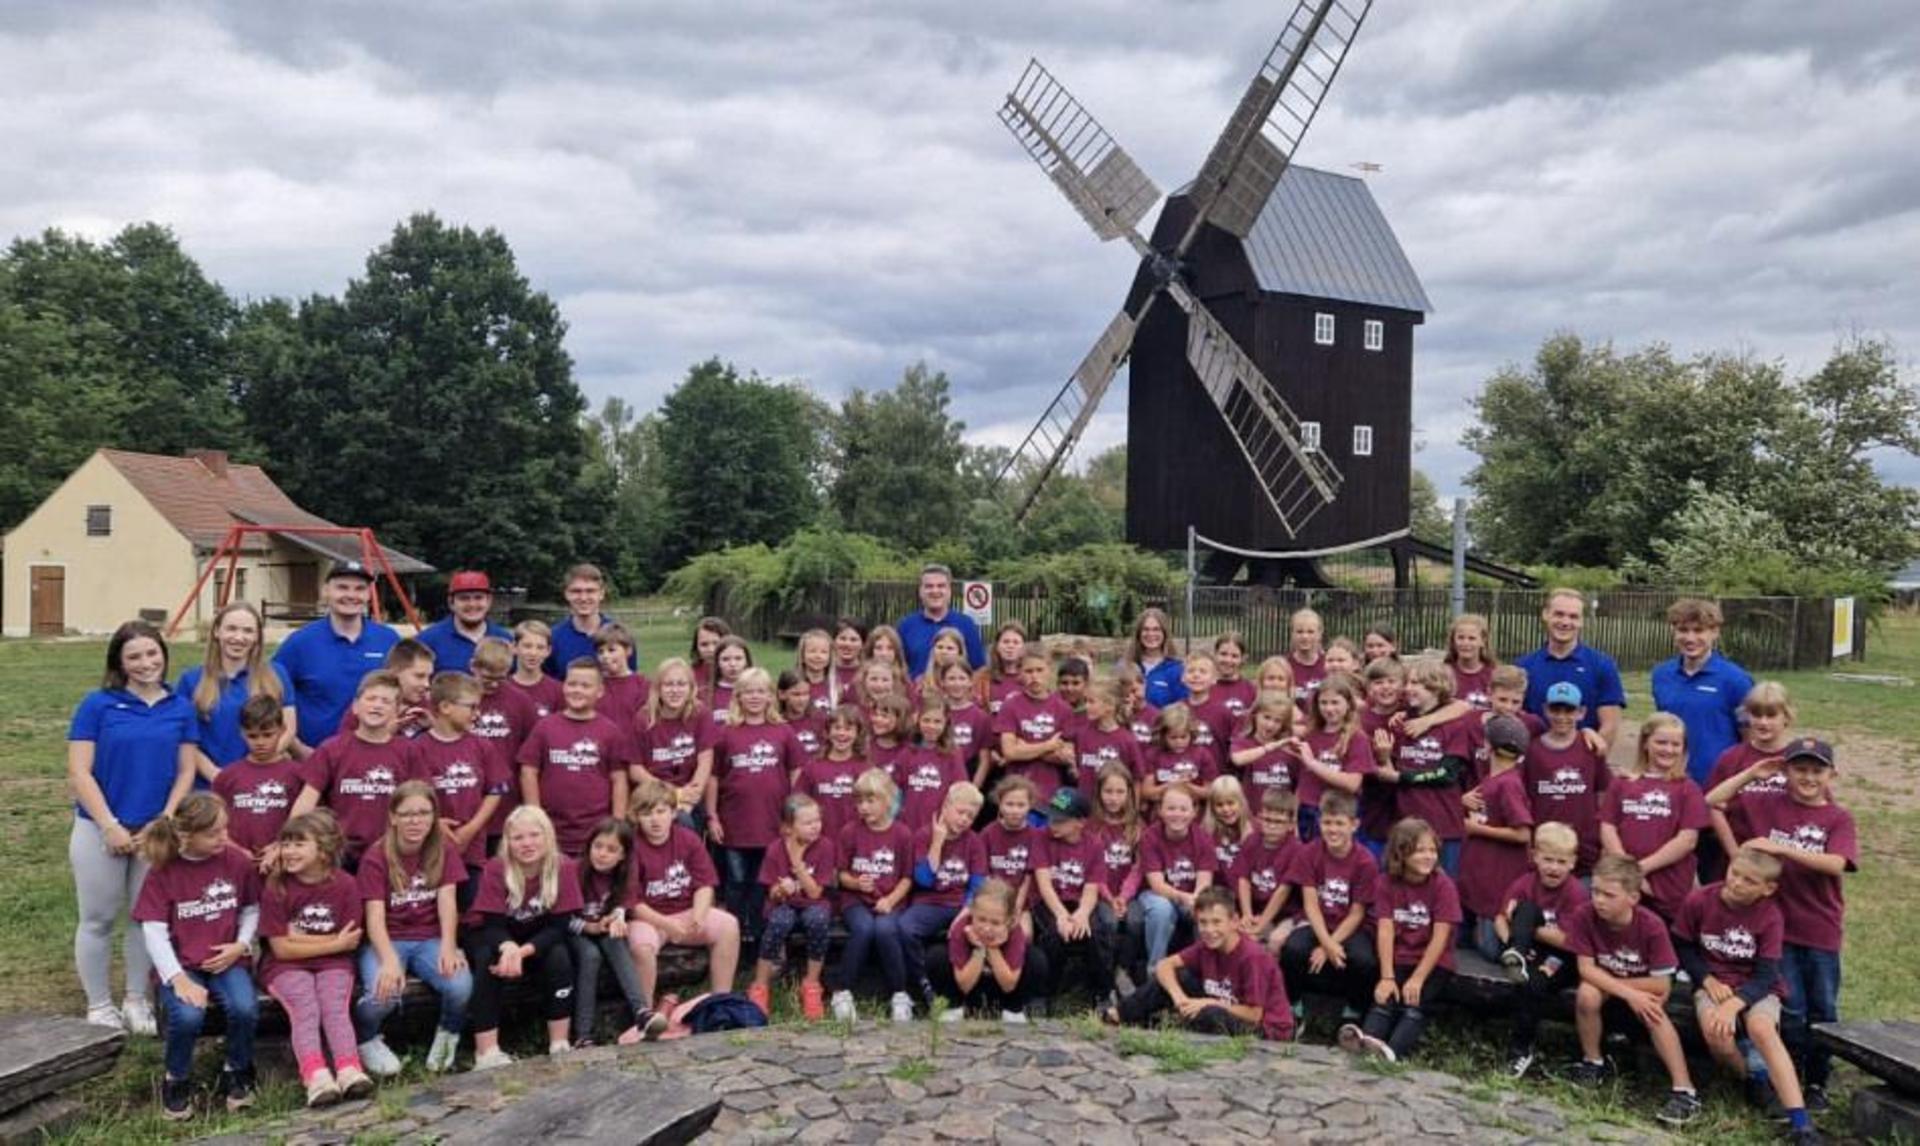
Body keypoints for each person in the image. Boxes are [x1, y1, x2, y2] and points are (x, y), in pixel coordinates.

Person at [1709, 737, 1856, 1113]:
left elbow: (1837, 863)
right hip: (1777, 930)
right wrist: (1753, 773)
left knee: (1822, 1007)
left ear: (1831, 774)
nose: (1807, 777)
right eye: (1799, 768)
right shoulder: (1769, 803)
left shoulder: (1837, 817)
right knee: (1790, 1009)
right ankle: (1790, 1072)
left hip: (1820, 928)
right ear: (1785, 771)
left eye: (1816, 770)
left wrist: (1784, 849)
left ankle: (1819, 1080)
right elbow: (1713, 801)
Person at [68, 620, 199, 1033]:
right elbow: (79, 772)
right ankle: (99, 1004)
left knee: (147, 919)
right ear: (120, 663)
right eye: (134, 657)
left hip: (154, 833)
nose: (146, 663)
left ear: (163, 653)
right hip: (100, 828)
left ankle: (136, 999)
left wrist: (163, 820)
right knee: (98, 918)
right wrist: (109, 825)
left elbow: (186, 771)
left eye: (152, 653)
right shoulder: (98, 704)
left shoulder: (179, 706)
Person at [1673, 846, 1818, 1143]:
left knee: (1762, 1028)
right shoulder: (1700, 900)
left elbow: (1767, 974)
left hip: (1757, 986)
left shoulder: (1770, 916)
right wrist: (1705, 978)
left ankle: (1801, 1122)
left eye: (1749, 881)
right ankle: (1754, 1078)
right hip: (1714, 983)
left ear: (1768, 888)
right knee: (1718, 1034)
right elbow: (1683, 945)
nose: (1737, 883)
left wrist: (1736, 1004)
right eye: (1734, 874)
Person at [133, 792, 259, 1120]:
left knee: (244, 1008)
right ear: (186, 836)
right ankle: (177, 1078)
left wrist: (241, 945)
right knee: (188, 1016)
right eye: (214, 833)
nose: (224, 838)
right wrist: (177, 980)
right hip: (182, 963)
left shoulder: (236, 861)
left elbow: (250, 908)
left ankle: (238, 1069)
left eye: (225, 829)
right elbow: (153, 931)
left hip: (227, 958)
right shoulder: (164, 871)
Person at [1559, 854, 1701, 1126]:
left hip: (1643, 987)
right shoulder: (1584, 915)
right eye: (1596, 892)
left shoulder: (1651, 926)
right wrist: (1628, 993)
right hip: (1614, 987)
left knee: (1653, 1007)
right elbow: (1586, 969)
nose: (1599, 900)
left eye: (1609, 895)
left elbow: (1661, 984)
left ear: (1633, 898)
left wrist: (1630, 993)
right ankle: (1593, 1062)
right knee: (1587, 993)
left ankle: (1685, 1090)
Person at [352, 783, 470, 1077]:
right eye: (407, 814)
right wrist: (390, 960)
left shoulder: (444, 850)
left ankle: (447, 1036)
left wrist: (448, 945)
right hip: (388, 938)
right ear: (392, 817)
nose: (415, 821)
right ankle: (366, 1038)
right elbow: (374, 918)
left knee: (460, 986)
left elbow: (447, 902)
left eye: (423, 813)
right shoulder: (376, 856)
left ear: (434, 816)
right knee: (383, 995)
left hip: (429, 937)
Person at [259, 810, 372, 1107]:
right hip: (284, 967)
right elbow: (281, 949)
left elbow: (351, 940)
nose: (289, 851)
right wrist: (332, 941)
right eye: (286, 843)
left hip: (335, 965)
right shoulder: (277, 887)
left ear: (323, 849)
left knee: (334, 1005)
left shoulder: (345, 885)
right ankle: (316, 1076)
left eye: (299, 844)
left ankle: (349, 1069)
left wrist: (299, 936)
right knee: (306, 1007)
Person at [464, 806, 581, 1069]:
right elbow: (491, 924)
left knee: (559, 957)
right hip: (491, 932)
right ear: (508, 841)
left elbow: (560, 926)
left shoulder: (563, 866)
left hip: (538, 933)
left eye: (534, 835)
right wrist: (508, 948)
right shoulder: (496, 867)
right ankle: (486, 1051)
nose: (527, 843)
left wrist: (522, 952)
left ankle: (559, 1042)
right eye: (518, 838)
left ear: (547, 836)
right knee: (487, 960)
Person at [1340, 816, 1459, 1063]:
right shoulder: (1385, 883)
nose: (1429, 856)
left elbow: (1440, 937)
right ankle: (1366, 1042)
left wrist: (1417, 978)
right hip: (1400, 956)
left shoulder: (1443, 886)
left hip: (1433, 962)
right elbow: (1385, 929)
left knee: (1414, 1005)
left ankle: (1391, 1053)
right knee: (1384, 999)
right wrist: (1386, 976)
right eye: (1419, 851)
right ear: (1401, 854)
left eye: (1432, 850)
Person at [1107, 885, 1292, 1040]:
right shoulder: (1206, 945)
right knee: (1177, 977)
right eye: (1203, 922)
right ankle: (1119, 1015)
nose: (1209, 930)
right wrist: (1179, 997)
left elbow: (1254, 1015)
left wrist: (1207, 1003)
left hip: (1265, 1028)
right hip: (1221, 1002)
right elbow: (1164, 965)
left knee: (1209, 1015)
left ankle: (1174, 1029)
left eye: (1217, 922)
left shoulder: (1252, 957)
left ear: (1234, 921)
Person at [626, 778, 741, 1006]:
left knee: (728, 925)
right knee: (642, 946)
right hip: (649, 918)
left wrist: (699, 915)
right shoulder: (632, 846)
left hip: (686, 912)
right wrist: (667, 925)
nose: (655, 819)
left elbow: (704, 884)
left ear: (673, 813)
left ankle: (720, 1000)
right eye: (647, 814)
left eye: (661, 811)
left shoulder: (688, 839)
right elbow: (633, 903)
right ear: (637, 817)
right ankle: (644, 1013)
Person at [707, 667, 800, 944]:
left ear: (771, 696)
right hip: (736, 824)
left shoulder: (783, 732)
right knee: (737, 882)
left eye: (760, 691)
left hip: (773, 823)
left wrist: (792, 816)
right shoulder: (726, 733)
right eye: (748, 692)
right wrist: (712, 816)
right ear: (738, 697)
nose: (755, 697)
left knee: (765, 882)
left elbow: (797, 774)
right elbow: (713, 777)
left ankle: (763, 936)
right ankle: (735, 935)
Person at [291, 671, 417, 869]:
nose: (377, 705)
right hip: (339, 853)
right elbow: (307, 799)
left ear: (397, 711)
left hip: (390, 852)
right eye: (371, 698)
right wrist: (289, 841)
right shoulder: (332, 749)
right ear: (355, 707)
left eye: (386, 701)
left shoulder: (408, 751)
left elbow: (419, 803)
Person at [274, 561, 400, 754]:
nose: (351, 595)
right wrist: (297, 748)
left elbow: (405, 695)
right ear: (326, 591)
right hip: (314, 758)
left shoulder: (388, 639)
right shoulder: (300, 643)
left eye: (359, 589)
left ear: (368, 594)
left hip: (376, 759)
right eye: (342, 587)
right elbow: (271, 696)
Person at [1494, 821, 1588, 1078]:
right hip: (1526, 950)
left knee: (1532, 985)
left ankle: (1521, 1049)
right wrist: (1510, 942)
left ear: (1572, 862)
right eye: (1547, 859)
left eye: (1560, 861)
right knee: (1525, 908)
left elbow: (1570, 942)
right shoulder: (1525, 883)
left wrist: (1528, 929)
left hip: (1561, 956)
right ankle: (1516, 956)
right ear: (1534, 856)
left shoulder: (1576, 893)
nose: (1553, 867)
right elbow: (1501, 918)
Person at [517, 658, 632, 858]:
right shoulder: (545, 727)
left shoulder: (609, 731)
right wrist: (536, 817)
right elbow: (528, 771)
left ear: (600, 691)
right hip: (551, 831)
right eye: (572, 684)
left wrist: (616, 824)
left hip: (596, 832)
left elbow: (619, 779)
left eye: (585, 686)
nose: (577, 690)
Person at [1600, 713, 1709, 921]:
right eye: (1661, 742)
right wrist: (1626, 871)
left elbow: (1687, 840)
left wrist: (1640, 869)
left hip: (1668, 888)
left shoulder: (1688, 788)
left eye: (1675, 744)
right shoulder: (1622, 783)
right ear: (1645, 743)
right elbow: (1608, 827)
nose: (1668, 749)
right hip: (1623, 883)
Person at [567, 817, 666, 1044]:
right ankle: (583, 1033)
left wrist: (618, 917)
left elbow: (624, 903)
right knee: (590, 956)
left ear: (622, 855)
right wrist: (588, 927)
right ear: (589, 846)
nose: (602, 854)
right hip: (573, 930)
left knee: (616, 940)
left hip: (600, 927)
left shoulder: (625, 873)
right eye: (598, 846)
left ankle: (641, 1012)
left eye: (611, 850)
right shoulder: (573, 870)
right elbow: (560, 917)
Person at [1280, 791, 1379, 1014]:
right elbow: (1311, 905)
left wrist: (1329, 946)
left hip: (1351, 927)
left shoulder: (1365, 861)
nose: (1332, 829)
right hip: (1317, 922)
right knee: (1293, 950)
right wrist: (1327, 942)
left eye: (1339, 823)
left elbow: (1357, 913)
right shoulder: (1309, 853)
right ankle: (1293, 1007)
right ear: (1319, 822)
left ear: (1354, 825)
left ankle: (1354, 1012)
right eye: (1327, 822)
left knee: (1364, 961)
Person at [833, 768, 916, 1023]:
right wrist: (857, 883)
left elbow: (907, 878)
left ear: (887, 801)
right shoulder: (849, 831)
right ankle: (843, 992)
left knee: (885, 930)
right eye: (859, 802)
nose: (864, 807)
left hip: (890, 900)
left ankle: (900, 995)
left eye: (871, 801)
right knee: (864, 928)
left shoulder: (902, 834)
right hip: (855, 901)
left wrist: (890, 900)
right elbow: (840, 875)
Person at [179, 602, 295, 783]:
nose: (239, 637)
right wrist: (216, 775)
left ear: (257, 637)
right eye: (231, 629)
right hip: (209, 785)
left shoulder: (276, 675)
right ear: (217, 631)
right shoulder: (191, 680)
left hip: (260, 783)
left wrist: (254, 768)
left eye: (248, 631)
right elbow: (185, 740)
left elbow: (289, 728)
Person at [1378, 658, 1473, 877]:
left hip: (1444, 826)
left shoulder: (1454, 726)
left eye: (1417, 683)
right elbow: (1388, 772)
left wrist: (1401, 777)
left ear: (1437, 688)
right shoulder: (1400, 723)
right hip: (1406, 824)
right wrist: (1384, 758)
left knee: (1443, 889)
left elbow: (1448, 773)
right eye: (1408, 682)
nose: (1408, 689)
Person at [748, 794, 838, 1021]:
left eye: (817, 820)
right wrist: (781, 890)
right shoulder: (775, 849)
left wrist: (797, 866)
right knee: (779, 922)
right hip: (785, 904)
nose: (815, 826)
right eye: (807, 823)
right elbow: (771, 892)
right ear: (789, 828)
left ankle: (811, 984)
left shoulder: (825, 846)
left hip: (813, 902)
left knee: (817, 921)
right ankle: (760, 986)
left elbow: (815, 892)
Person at [901, 783, 989, 1011]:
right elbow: (924, 880)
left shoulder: (974, 841)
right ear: (946, 806)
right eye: (960, 812)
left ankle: (971, 993)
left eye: (971, 816)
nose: (964, 820)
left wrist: (966, 911)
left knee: (979, 930)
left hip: (961, 904)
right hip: (930, 902)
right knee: (906, 927)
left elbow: (977, 884)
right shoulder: (923, 835)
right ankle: (923, 983)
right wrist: (938, 842)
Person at [413, 673, 508, 882]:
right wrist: (435, 823)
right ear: (446, 707)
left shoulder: (482, 745)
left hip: (473, 851)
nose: (477, 714)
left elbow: (496, 790)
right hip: (430, 850)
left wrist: (471, 828)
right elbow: (413, 796)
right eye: (471, 707)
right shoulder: (418, 748)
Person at [1650, 598, 1754, 789]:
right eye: (1683, 630)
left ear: (1714, 632)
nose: (1690, 639)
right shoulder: (1661, 675)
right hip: (1671, 781)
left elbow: (1749, 738)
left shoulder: (1736, 680)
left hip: (1716, 784)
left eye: (1698, 630)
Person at [1031, 786, 1116, 1006]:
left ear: (1080, 822)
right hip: (1050, 902)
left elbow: (1091, 887)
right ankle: (1043, 994)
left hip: (1080, 902)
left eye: (1060, 821)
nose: (1052, 824)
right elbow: (1044, 884)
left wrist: (1082, 914)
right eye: (1051, 818)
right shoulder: (1042, 838)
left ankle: (1102, 994)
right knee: (1054, 936)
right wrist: (1060, 915)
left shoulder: (1094, 845)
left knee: (1097, 933)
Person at [1459, 714, 1535, 958]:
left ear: (1487, 745)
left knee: (1490, 950)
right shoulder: (1492, 779)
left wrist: (1477, 829)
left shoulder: (1509, 784)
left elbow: (1523, 833)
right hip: (1481, 877)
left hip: (1498, 880)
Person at [1513, 588, 1626, 748]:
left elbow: (1610, 726)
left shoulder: (1602, 665)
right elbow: (1514, 719)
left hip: (1581, 765)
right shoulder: (1523, 667)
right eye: (1559, 614)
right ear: (1545, 614)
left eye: (1573, 616)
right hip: (1534, 763)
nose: (1565, 622)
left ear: (1581, 621)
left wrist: (1588, 761)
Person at [1519, 682, 1610, 876]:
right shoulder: (1533, 750)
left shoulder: (1591, 748)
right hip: (1546, 845)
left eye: (1569, 711)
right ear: (1545, 709)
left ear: (1581, 712)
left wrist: (1604, 840)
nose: (1562, 717)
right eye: (1555, 710)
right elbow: (1523, 799)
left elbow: (1603, 794)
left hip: (1585, 846)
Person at [933, 878, 1048, 1022]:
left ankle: (1013, 1009)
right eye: (981, 919)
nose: (987, 928)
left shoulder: (1015, 931)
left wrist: (993, 949)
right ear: (972, 912)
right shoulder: (961, 927)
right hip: (971, 989)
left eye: (995, 923)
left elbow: (1008, 985)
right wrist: (979, 949)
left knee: (1036, 959)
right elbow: (964, 985)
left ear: (1008, 920)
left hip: (1001, 990)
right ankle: (954, 1006)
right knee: (936, 956)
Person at [1134, 785, 1216, 977]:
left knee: (1205, 908)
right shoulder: (1151, 837)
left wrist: (1195, 899)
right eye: (1171, 808)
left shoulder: (1203, 838)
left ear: (1194, 812)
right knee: (1162, 909)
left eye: (1183, 809)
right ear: (1161, 810)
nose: (1177, 814)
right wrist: (1182, 897)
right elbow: (1157, 884)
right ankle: (1155, 971)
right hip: (1157, 894)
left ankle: (1202, 973)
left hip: (1190, 893)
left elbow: (1204, 881)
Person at [213, 695, 302, 871]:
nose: (260, 743)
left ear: (282, 730)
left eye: (268, 735)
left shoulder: (297, 774)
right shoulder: (227, 776)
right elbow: (213, 825)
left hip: (283, 864)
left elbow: (306, 823)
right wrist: (235, 849)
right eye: (253, 736)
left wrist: (281, 845)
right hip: (235, 865)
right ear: (241, 733)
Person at [634, 658, 715, 826]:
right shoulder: (644, 719)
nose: (675, 690)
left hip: (691, 793)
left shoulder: (700, 714)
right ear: (658, 688)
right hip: (654, 793)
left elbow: (705, 761)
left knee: (688, 819)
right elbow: (635, 770)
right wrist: (675, 794)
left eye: (681, 684)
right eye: (668, 685)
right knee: (680, 820)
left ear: (691, 688)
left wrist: (691, 797)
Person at [1292, 676, 1373, 842]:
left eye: (1335, 702)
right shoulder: (1310, 733)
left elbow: (1353, 783)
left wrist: (1313, 764)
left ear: (1348, 704)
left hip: (1339, 813)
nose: (1329, 708)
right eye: (1324, 703)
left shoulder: (1356, 738)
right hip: (1308, 808)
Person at [991, 651, 1074, 804]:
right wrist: (1048, 745)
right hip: (1016, 792)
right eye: (1029, 671)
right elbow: (1009, 752)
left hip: (1053, 793)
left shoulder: (1063, 708)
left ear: (1049, 670)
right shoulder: (1010, 705)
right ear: (1020, 674)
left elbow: (1065, 756)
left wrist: (1024, 747)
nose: (1034, 676)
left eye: (1039, 670)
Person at [1233, 787, 1303, 959]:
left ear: (1291, 825)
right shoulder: (1251, 841)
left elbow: (1282, 892)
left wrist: (1261, 924)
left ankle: (1273, 982)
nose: (1271, 826)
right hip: (1255, 909)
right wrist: (1247, 915)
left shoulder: (1297, 850)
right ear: (1259, 818)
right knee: (1233, 933)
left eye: (1278, 821)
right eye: (1267, 819)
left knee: (1275, 940)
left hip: (1286, 914)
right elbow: (1244, 880)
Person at [898, 564, 987, 681]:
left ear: (949, 590)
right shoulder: (906, 626)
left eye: (941, 586)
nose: (935, 591)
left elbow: (979, 668)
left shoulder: (966, 625)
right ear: (920, 591)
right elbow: (897, 667)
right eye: (929, 586)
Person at [416, 571, 512, 676]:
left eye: (478, 597)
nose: (472, 604)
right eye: (464, 598)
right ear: (451, 602)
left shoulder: (505, 640)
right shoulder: (427, 641)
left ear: (489, 601)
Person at [544, 563, 631, 679]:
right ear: (566, 594)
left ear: (601, 594)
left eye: (590, 591)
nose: (583, 598)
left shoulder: (620, 636)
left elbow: (629, 683)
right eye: (576, 591)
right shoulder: (553, 638)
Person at [897, 697, 967, 833]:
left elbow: (959, 790)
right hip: (909, 823)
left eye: (937, 722)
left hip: (939, 825)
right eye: (926, 720)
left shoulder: (952, 754)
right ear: (918, 720)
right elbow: (896, 789)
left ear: (946, 723)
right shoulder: (908, 753)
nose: (931, 726)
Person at [1123, 608, 1186, 709]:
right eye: (1146, 629)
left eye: (1156, 629)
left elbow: (1182, 708)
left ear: (1165, 634)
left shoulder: (1178, 669)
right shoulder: (1123, 666)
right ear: (1139, 634)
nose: (1151, 634)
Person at [593, 623, 651, 724]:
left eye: (611, 650)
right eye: (600, 652)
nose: (605, 656)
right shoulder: (595, 685)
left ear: (628, 651)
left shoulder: (642, 685)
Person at [507, 621, 565, 717]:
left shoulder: (558, 691)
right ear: (514, 647)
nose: (533, 653)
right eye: (527, 646)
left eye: (540, 647)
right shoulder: (502, 687)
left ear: (548, 651)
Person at [1443, 614, 1497, 710]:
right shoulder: (1442, 673)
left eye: (1471, 638)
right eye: (1461, 638)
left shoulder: (1494, 675)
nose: (1465, 643)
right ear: (1453, 641)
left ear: (1483, 641)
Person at [1286, 608, 1328, 707]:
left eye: (1310, 632)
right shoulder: (1283, 667)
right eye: (1299, 632)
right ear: (1292, 634)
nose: (1305, 636)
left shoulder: (1330, 664)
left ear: (1320, 634)